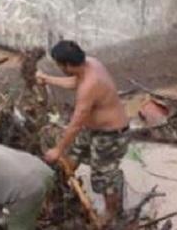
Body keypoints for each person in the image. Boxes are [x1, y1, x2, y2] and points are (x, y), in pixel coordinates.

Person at [36, 40, 130, 224]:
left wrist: (57, 149)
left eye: (59, 65)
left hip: (111, 136)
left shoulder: (90, 85)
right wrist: (47, 79)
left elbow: (76, 123)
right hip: (92, 129)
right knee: (72, 158)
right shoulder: (89, 64)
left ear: (68, 65)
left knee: (104, 177)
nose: (59, 68)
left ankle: (111, 213)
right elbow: (74, 81)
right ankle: (62, 192)